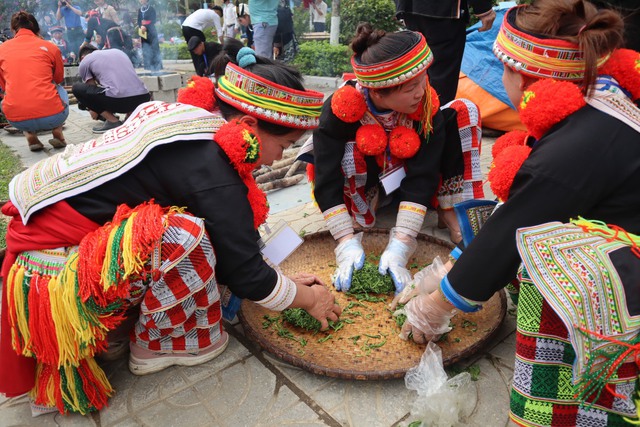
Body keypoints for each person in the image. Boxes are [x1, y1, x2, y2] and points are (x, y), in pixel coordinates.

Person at [0, 42, 332, 417]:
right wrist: (309, 299)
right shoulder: (211, 165)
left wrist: (280, 280)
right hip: (53, 270)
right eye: (285, 145)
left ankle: (120, 322)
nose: (280, 158)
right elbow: (243, 272)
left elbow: (236, 242)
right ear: (248, 125)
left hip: (52, 238)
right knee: (186, 236)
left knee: (189, 232)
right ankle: (155, 343)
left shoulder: (197, 120)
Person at [399, 1, 640, 425]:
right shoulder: (598, 97)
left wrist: (435, 304)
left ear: (525, 77)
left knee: (538, 270)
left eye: (502, 70)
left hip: (627, 266)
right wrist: (453, 266)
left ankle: (572, 405)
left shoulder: (569, 152)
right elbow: (520, 208)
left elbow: (515, 229)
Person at [309, 23, 485, 294]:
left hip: (406, 179)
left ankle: (450, 210)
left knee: (465, 111)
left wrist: (401, 244)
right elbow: (325, 177)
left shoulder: (426, 105)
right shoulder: (340, 110)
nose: (421, 91)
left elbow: (424, 174)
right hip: (366, 183)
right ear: (379, 92)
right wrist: (345, 241)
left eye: (423, 79)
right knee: (348, 152)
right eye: (411, 87)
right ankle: (357, 217)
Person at [394, 0, 496, 105]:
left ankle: (422, 117)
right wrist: (484, 9)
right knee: (441, 78)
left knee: (420, 70)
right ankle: (436, 118)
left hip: (409, 8)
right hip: (442, 11)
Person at [0, 12, 68, 152]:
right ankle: (57, 132)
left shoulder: (2, 49)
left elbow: (4, 85)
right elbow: (58, 79)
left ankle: (30, 136)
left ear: (13, 30)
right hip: (52, 115)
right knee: (60, 89)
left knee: (12, 94)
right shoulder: (50, 47)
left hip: (16, 119)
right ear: (38, 30)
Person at [72, 45, 151, 133]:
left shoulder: (85, 61)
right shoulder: (118, 52)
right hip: (144, 98)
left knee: (77, 88)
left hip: (119, 101)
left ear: (82, 57)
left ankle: (113, 122)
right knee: (123, 87)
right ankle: (130, 117)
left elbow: (91, 89)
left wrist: (92, 109)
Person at [181, 5, 224, 73]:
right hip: (194, 28)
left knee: (194, 51)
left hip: (184, 28)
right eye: (220, 16)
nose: (218, 18)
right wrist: (223, 44)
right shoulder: (215, 14)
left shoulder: (204, 12)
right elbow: (220, 32)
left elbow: (205, 28)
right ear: (218, 12)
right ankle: (207, 71)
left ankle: (199, 72)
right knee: (203, 48)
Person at [137, 0, 163, 71]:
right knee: (145, 48)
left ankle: (156, 66)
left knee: (153, 48)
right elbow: (139, 20)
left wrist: (146, 26)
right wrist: (141, 26)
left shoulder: (151, 9)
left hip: (151, 31)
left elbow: (153, 20)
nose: (141, 1)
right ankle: (147, 66)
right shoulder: (140, 10)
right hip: (142, 31)